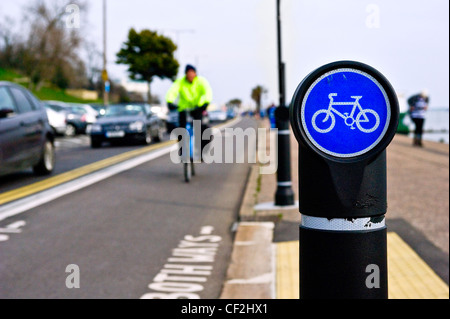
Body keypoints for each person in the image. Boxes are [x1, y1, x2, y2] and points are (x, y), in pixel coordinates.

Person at [166, 64, 213, 156]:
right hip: (183, 109)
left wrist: (205, 103)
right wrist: (169, 102)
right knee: (180, 130)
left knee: (203, 130)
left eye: (193, 73)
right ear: (186, 74)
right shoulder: (180, 82)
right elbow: (172, 92)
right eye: (189, 73)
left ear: (195, 74)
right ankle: (182, 149)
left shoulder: (201, 81)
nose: (191, 75)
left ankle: (202, 151)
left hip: (197, 109)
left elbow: (208, 91)